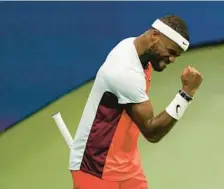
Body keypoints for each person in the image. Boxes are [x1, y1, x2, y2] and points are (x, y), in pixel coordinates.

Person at [69, 15, 203, 189]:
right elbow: (152, 132)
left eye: (176, 55)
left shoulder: (139, 51)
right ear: (155, 35)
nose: (172, 60)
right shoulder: (124, 71)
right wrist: (186, 94)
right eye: (171, 52)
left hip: (127, 165)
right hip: (95, 169)